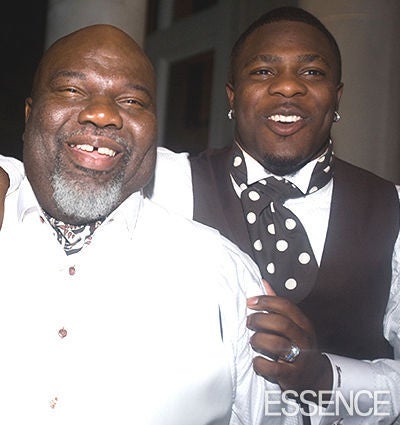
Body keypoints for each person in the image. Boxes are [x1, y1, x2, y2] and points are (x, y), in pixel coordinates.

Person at [2, 6, 400, 424]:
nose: (287, 87)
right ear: (232, 95)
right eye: (263, 71)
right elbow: (69, 163)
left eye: (312, 72)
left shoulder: (389, 209)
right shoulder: (169, 177)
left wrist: (327, 381)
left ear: (337, 96)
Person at [0, 23, 283, 425]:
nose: (102, 114)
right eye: (72, 90)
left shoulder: (221, 270)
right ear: (30, 115)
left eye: (132, 100)